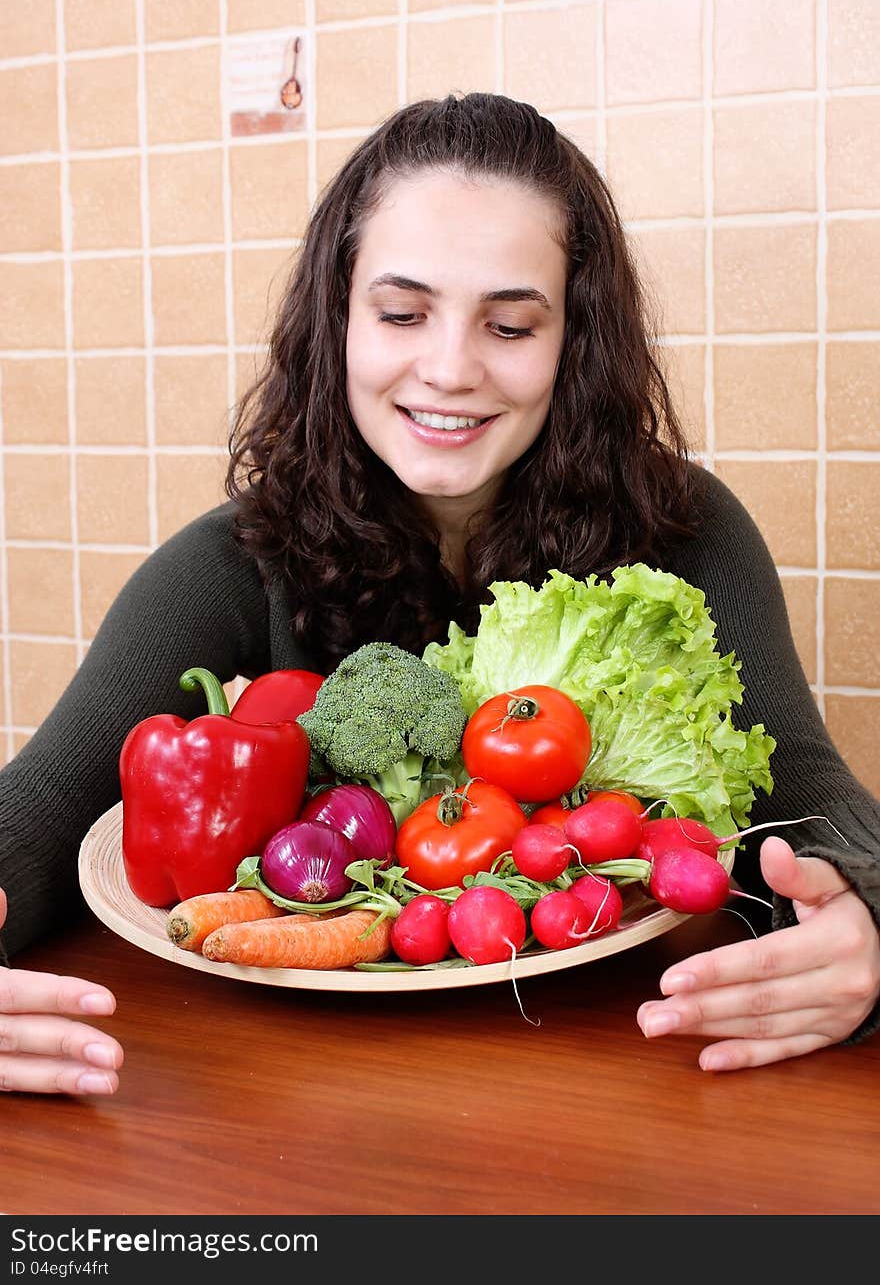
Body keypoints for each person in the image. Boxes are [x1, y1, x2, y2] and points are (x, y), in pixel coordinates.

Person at [1, 92, 878, 1097]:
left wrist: (868, 924)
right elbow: (36, 810)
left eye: (509, 323)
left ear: (573, 341)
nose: (451, 368)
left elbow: (812, 804)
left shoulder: (682, 530)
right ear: (337, 317)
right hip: (293, 1100)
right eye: (402, 312)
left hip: (611, 1081)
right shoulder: (240, 553)